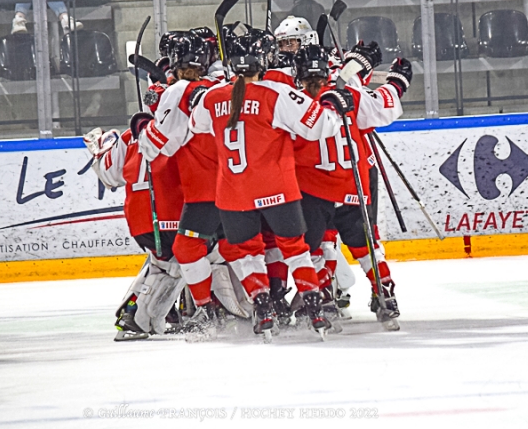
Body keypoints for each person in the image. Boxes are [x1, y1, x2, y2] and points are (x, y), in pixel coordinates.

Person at [189, 28, 349, 341]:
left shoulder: (213, 96)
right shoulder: (275, 94)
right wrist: (334, 106)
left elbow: (197, 125)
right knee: (295, 250)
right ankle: (314, 306)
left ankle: (263, 307)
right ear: (264, 59)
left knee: (248, 253)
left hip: (233, 192)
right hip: (277, 188)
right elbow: (320, 127)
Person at [291, 43, 411, 330]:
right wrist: (397, 83)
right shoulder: (351, 93)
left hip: (314, 189)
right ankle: (386, 293)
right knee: (365, 244)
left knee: (317, 245)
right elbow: (385, 109)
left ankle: (323, 297)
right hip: (353, 186)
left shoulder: (293, 101)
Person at [137, 32, 236, 339]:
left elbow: (159, 146)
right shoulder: (225, 85)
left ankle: (206, 310)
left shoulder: (179, 90)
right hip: (243, 181)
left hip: (206, 187)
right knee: (245, 245)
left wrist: (142, 125)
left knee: (186, 247)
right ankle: (272, 302)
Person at [84, 119, 186, 341]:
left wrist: (101, 152)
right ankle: (134, 315)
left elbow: (110, 178)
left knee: (161, 264)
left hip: (138, 214)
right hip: (165, 210)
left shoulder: (129, 136)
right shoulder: (179, 127)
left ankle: (145, 312)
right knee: (179, 263)